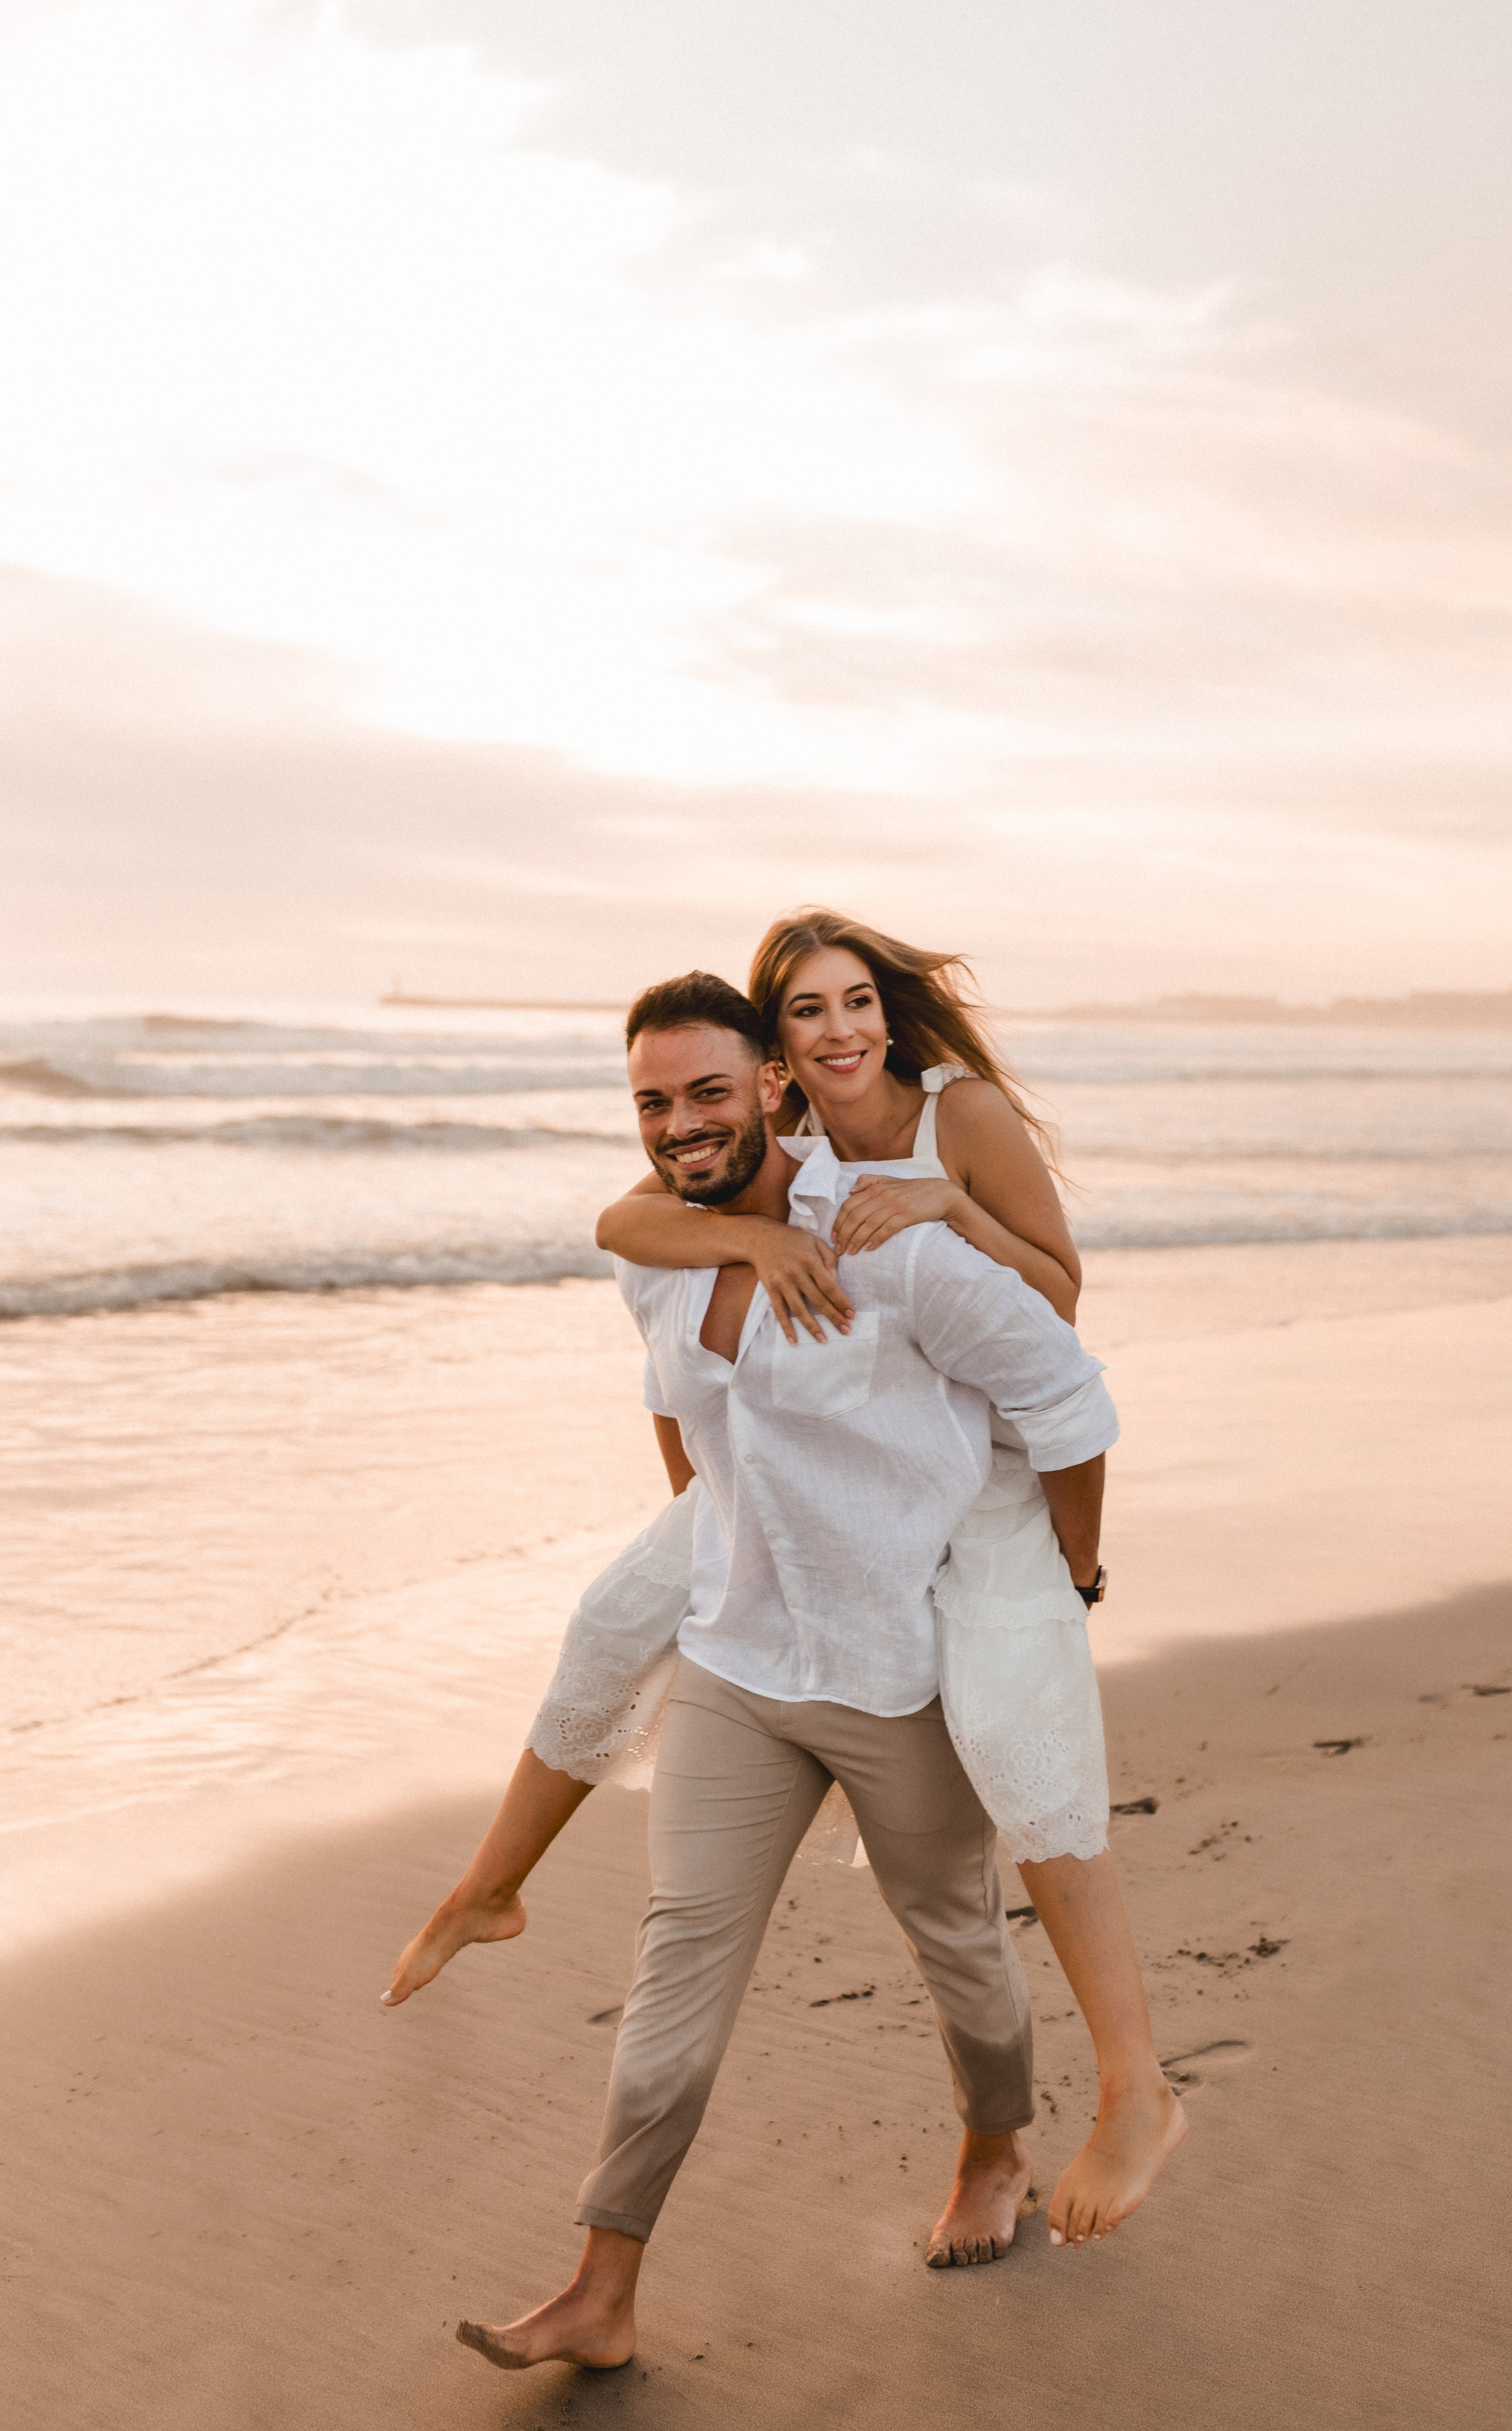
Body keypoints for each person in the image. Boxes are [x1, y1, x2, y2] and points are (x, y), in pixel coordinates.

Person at [386, 971, 1128, 2371]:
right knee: (677, 1963)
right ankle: (601, 2288)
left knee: (955, 1943)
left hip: (891, 1668)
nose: (678, 1124)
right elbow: (679, 1420)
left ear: (776, 1087)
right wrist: (725, 1530)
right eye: (652, 1102)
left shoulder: (884, 1242)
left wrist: (1061, 1585)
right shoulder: (655, 1249)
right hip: (737, 1661)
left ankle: (992, 2148)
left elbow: (1067, 1399)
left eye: (707, 1091)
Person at [592, 912, 1184, 2254]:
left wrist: (947, 1205)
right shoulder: (773, 1156)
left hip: (992, 1491)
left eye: (857, 1001)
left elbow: (1059, 1304)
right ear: (773, 1054)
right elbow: (627, 1220)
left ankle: (1133, 2089)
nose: (842, 1029)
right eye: (806, 1012)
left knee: (1031, 1779)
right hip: (867, 1506)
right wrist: (751, 1247)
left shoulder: (951, 1113)